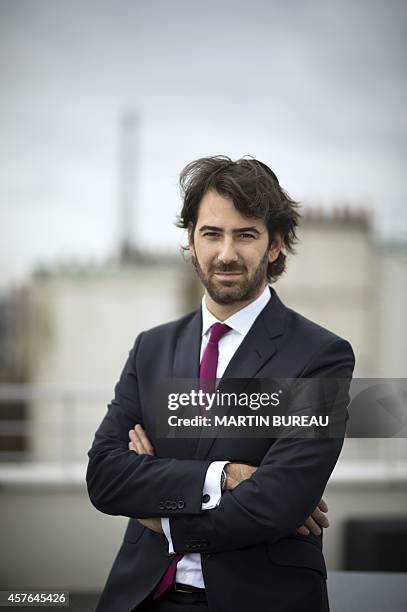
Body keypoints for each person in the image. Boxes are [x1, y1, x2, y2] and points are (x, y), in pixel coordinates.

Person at [86, 156, 355, 612]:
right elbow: (105, 477)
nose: (226, 253)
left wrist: (159, 514)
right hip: (141, 596)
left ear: (275, 245)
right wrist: (225, 476)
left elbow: (279, 502)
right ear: (190, 241)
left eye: (245, 234)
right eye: (212, 233)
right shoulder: (151, 348)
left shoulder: (321, 357)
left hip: (260, 598)